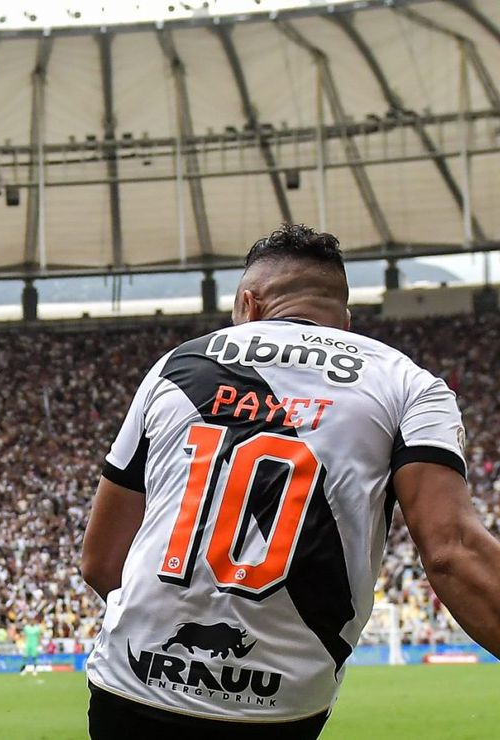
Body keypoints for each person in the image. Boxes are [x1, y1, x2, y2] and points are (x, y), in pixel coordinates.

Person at [80, 224, 500, 739]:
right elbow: (452, 552)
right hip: (281, 705)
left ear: (247, 305)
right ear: (345, 320)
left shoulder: (177, 365)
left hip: (133, 687)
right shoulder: (407, 383)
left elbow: (100, 561)